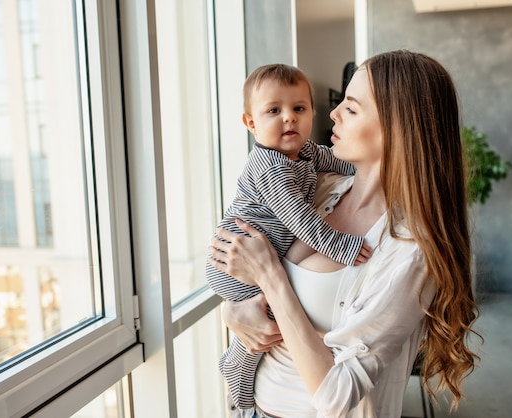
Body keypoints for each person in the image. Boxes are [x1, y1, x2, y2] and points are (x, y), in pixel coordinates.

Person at [208, 50, 481, 418]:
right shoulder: (319, 188)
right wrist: (234, 311)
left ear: (398, 128)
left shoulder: (410, 249)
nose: (333, 113)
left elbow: (337, 397)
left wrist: (271, 277)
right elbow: (248, 270)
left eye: (351, 108)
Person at [206, 63, 373, 410]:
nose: (289, 119)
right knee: (263, 327)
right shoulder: (271, 166)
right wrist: (342, 246)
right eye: (273, 111)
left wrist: (366, 168)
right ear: (251, 123)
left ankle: (238, 358)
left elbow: (334, 160)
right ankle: (237, 368)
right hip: (235, 261)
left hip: (261, 253)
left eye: (299, 108)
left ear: (312, 111)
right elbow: (300, 220)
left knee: (270, 317)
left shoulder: (303, 152)